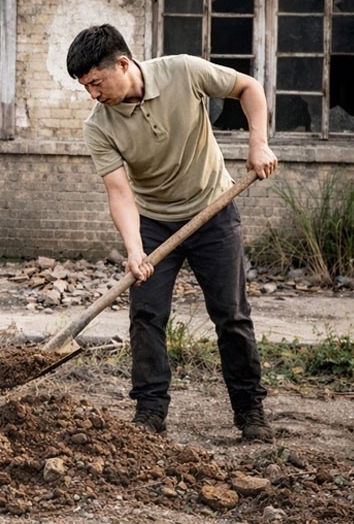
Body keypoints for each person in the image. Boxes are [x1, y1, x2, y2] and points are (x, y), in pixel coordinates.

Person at [65, 23, 277, 442]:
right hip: (153, 223)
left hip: (213, 211)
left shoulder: (183, 71)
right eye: (85, 87)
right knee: (146, 316)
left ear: (122, 64)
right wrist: (134, 249)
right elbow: (120, 192)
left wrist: (259, 142)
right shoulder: (99, 126)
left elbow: (248, 88)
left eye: (96, 82)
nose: (93, 94)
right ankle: (150, 413)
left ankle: (250, 410)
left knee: (231, 315)